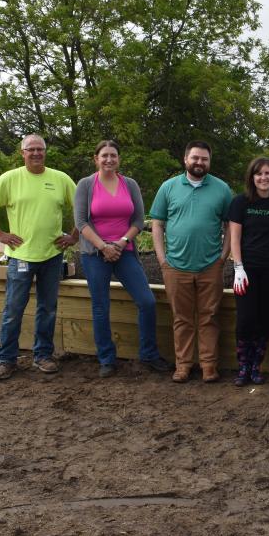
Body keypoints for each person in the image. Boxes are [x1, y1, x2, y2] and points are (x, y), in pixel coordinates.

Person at [0, 134, 77, 380]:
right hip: (21, 256)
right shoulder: (10, 179)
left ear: (45, 152)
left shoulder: (60, 179)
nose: (36, 153)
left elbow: (83, 207)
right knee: (13, 309)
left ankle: (43, 355)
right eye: (30, 149)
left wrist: (73, 236)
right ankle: (7, 360)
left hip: (51, 255)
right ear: (22, 153)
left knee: (47, 308)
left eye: (40, 149)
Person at [74, 140, 171, 378]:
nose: (109, 159)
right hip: (95, 254)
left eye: (113, 155)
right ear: (95, 158)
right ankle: (106, 358)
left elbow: (139, 221)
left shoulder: (130, 184)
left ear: (119, 159)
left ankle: (148, 354)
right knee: (100, 307)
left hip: (124, 250)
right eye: (104, 155)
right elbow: (81, 222)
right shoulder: (86, 185)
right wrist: (103, 246)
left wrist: (121, 242)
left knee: (146, 301)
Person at [150, 140, 232, 384]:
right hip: (176, 266)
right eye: (195, 158)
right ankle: (183, 365)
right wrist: (162, 259)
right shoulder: (168, 187)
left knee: (209, 317)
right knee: (182, 318)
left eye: (204, 159)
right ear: (186, 159)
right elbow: (157, 224)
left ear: (209, 162)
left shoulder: (222, 189)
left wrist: (223, 257)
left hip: (210, 266)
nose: (199, 162)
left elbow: (230, 225)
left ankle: (208, 365)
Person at [228, 157, 269, 386]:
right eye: (259, 174)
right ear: (252, 177)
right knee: (245, 319)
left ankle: (257, 365)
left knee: (264, 320)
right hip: (246, 271)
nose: (263, 178)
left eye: (267, 173)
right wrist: (238, 267)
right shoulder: (240, 202)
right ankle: (243, 365)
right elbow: (234, 237)